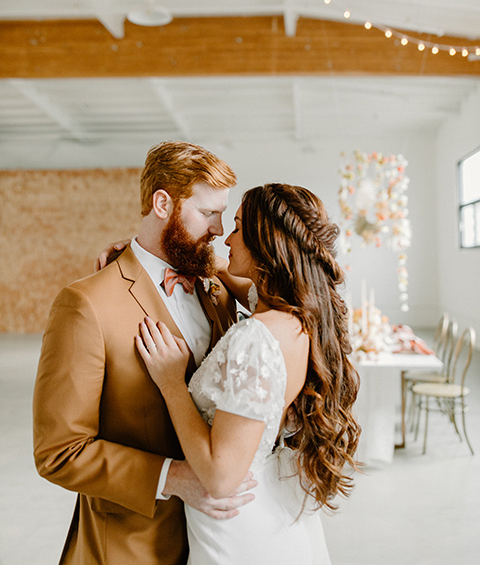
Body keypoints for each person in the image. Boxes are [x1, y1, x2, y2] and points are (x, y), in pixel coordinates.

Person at [33, 141, 258, 565]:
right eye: (208, 213)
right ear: (162, 204)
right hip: (128, 546)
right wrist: (172, 477)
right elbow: (58, 452)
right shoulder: (85, 305)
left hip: (218, 541)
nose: (218, 229)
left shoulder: (217, 289)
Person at [135, 183, 361, 565]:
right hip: (273, 505)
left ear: (264, 243)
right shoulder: (300, 314)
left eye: (237, 226)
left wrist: (172, 383)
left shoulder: (257, 339)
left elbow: (221, 479)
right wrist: (139, 256)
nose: (225, 236)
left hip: (236, 526)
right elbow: (231, 274)